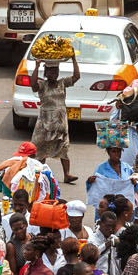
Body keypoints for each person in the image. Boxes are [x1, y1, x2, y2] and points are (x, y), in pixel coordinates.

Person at [31, 56, 79, 184]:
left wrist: (74, 60)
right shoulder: (42, 85)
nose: (54, 74)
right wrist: (36, 66)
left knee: (64, 148)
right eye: (51, 72)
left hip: (60, 122)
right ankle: (39, 174)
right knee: (41, 149)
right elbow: (33, 85)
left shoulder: (62, 83)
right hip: (45, 122)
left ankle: (67, 174)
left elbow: (76, 77)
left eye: (56, 71)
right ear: (46, 73)